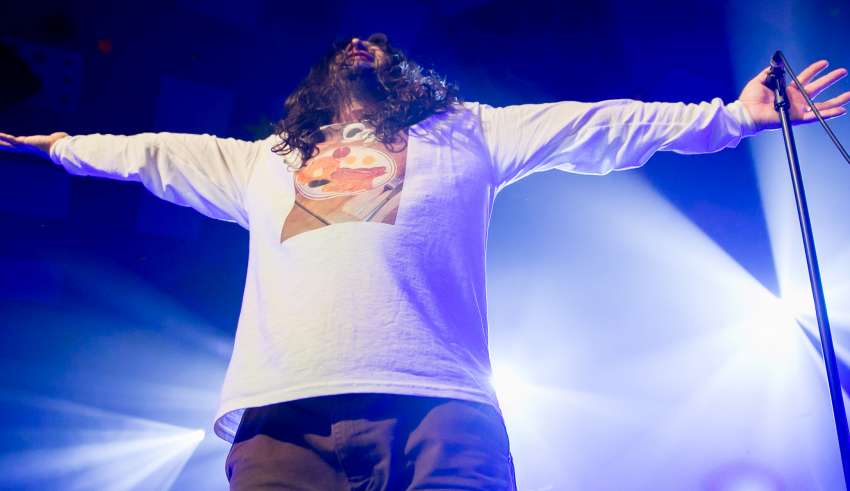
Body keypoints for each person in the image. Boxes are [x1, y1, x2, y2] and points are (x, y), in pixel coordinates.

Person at [2, 33, 848, 490]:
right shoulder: (263, 161)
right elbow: (153, 152)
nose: (361, 44)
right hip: (285, 425)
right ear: (315, 88)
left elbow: (595, 125)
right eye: (347, 44)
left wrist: (729, 117)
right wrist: (59, 145)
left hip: (441, 413)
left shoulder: (468, 131)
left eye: (377, 44)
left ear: (409, 77)